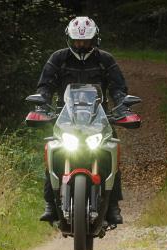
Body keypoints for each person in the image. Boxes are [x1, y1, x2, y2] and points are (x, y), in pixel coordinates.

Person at [36, 16, 129, 225]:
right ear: (69, 39)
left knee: (112, 151)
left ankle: (113, 205)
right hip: (65, 119)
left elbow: (118, 88)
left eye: (85, 41)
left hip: (99, 119)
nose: (81, 45)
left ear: (95, 39)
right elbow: (45, 86)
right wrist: (41, 104)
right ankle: (50, 203)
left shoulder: (106, 60)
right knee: (52, 150)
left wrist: (123, 106)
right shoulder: (58, 59)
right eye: (77, 41)